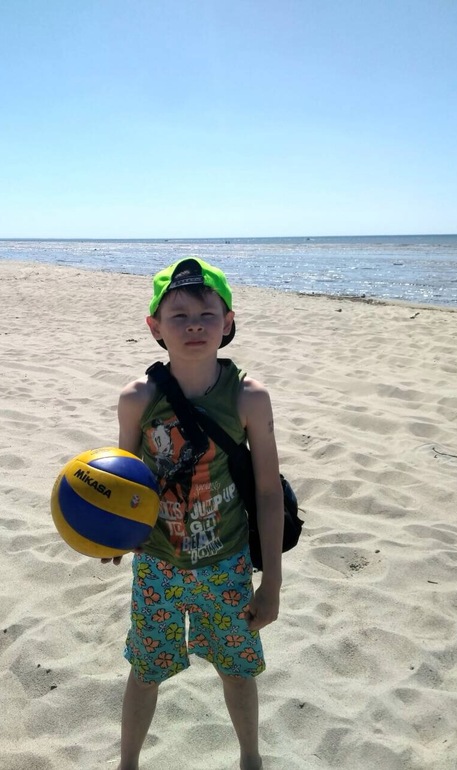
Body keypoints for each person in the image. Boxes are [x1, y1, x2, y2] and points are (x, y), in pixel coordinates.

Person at [105, 257, 285, 770]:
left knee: (236, 670)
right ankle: (127, 764)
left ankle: (250, 758)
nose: (194, 326)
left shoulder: (249, 397)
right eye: (178, 316)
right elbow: (123, 482)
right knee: (145, 671)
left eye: (207, 314)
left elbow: (269, 492)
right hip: (157, 565)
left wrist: (272, 582)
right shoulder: (138, 399)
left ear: (227, 322)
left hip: (227, 564)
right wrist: (112, 533)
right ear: (154, 327)